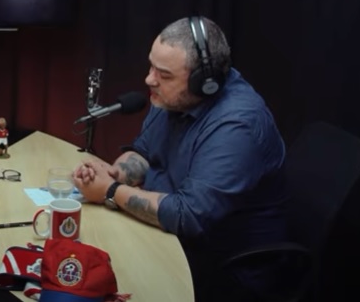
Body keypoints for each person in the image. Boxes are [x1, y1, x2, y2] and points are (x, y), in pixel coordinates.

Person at [73, 16, 287, 302]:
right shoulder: (173, 97)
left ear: (205, 83)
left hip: (224, 270)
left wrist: (110, 191)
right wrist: (114, 174)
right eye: (151, 66)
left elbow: (190, 216)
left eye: (164, 74)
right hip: (172, 239)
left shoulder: (238, 127)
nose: (149, 79)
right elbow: (144, 152)